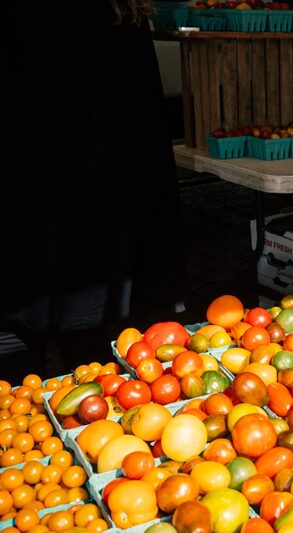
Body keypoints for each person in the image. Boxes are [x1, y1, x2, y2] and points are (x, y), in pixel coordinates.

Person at [1, 0, 186, 382]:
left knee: (18, 404)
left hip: (35, 234)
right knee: (90, 394)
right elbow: (148, 140)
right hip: (92, 233)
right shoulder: (121, 12)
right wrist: (159, 268)